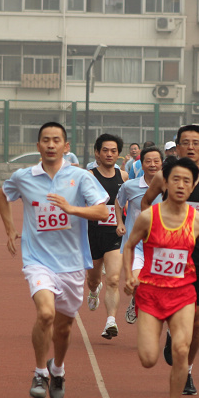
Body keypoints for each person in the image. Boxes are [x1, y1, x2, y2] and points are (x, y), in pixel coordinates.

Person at [0, 122, 109, 398]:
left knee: (64, 327)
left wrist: (72, 208)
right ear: (38, 146)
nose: (50, 144)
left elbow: (101, 211)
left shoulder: (80, 177)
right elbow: (3, 194)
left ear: (65, 146)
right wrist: (10, 229)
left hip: (71, 263)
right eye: (45, 140)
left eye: (56, 140)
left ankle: (57, 368)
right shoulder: (24, 176)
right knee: (45, 314)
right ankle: (39, 371)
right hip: (37, 260)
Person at [123, 157, 199, 398]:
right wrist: (129, 275)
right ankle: (154, 328)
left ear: (192, 188)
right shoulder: (148, 217)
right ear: (165, 184)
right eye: (175, 179)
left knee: (180, 349)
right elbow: (130, 246)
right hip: (151, 294)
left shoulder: (198, 222)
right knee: (148, 359)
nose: (180, 185)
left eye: (186, 181)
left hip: (182, 295)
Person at [141, 124, 199, 396]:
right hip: (169, 255)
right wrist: (160, 222)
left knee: (198, 318)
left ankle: (187, 370)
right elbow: (145, 204)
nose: (190, 147)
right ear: (177, 147)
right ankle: (171, 334)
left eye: (196, 143)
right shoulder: (164, 177)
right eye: (185, 143)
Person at [85, 134, 129, 339]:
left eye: (113, 151)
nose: (109, 154)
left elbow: (127, 202)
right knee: (93, 280)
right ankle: (94, 290)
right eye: (105, 150)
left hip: (115, 233)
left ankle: (111, 321)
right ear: (97, 153)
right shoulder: (88, 176)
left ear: (118, 154)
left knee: (113, 278)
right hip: (92, 234)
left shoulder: (124, 176)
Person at [115, 146, 163, 325]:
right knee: (137, 282)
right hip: (136, 244)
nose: (152, 165)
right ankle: (137, 300)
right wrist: (120, 223)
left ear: (162, 164)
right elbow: (118, 203)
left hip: (159, 245)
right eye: (148, 161)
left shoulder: (170, 187)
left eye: (156, 161)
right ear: (141, 164)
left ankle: (144, 306)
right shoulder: (130, 186)